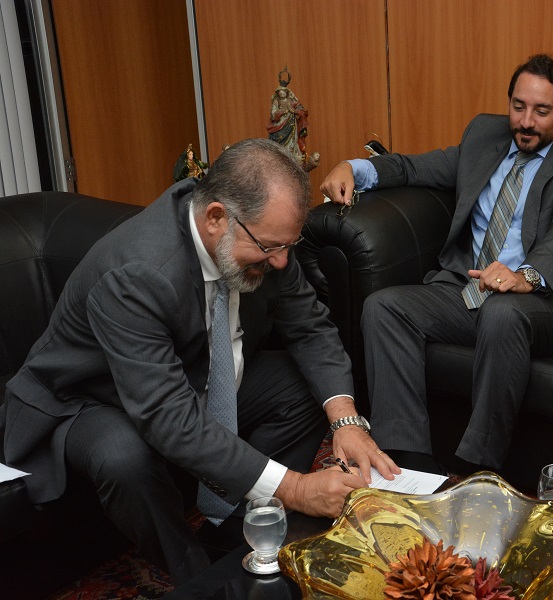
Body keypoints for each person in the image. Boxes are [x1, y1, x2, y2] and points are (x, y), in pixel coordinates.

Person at [1, 139, 399, 584]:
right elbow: (167, 416)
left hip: (191, 372)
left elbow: (310, 327)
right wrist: (296, 488)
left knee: (301, 385)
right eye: (270, 247)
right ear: (215, 218)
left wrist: (345, 420)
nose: (282, 261)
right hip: (86, 397)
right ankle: (197, 577)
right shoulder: (138, 274)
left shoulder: (263, 236)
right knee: (123, 455)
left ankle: (241, 528)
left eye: (290, 244)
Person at [320, 54, 553, 473]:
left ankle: (477, 471)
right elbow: (415, 167)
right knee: (385, 307)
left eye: (542, 111)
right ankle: (406, 465)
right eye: (518, 106)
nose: (526, 122)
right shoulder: (485, 135)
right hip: (475, 288)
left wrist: (524, 276)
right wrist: (353, 168)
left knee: (503, 313)